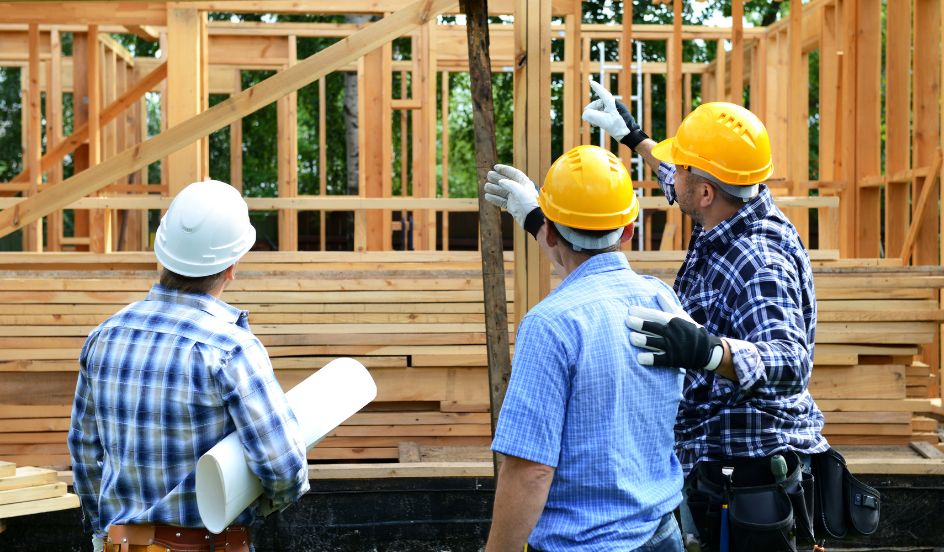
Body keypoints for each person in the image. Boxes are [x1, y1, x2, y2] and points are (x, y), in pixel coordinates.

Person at [68, 180, 310, 552]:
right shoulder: (230, 349)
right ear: (231, 267)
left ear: (162, 253)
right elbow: (283, 469)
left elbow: (84, 451)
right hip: (208, 545)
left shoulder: (105, 336)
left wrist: (104, 530)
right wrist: (249, 504)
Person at [484, 145, 686, 552]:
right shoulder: (662, 300)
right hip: (662, 535)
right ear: (629, 230)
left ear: (553, 232)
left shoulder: (550, 325)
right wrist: (536, 218)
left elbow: (529, 471)